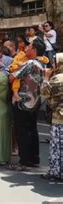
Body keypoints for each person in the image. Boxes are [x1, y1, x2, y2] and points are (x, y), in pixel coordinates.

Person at [8, 37, 46, 171]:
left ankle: (24, 161)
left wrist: (11, 72)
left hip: (23, 102)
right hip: (35, 102)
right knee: (32, 130)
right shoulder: (42, 64)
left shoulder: (30, 63)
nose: (26, 48)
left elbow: (12, 76)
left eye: (29, 46)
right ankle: (34, 159)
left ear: (34, 49)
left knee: (22, 131)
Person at [40, 53, 63, 181]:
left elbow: (44, 92)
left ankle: (56, 172)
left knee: (57, 147)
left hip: (59, 117)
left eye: (54, 62)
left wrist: (46, 77)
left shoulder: (58, 78)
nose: (52, 64)